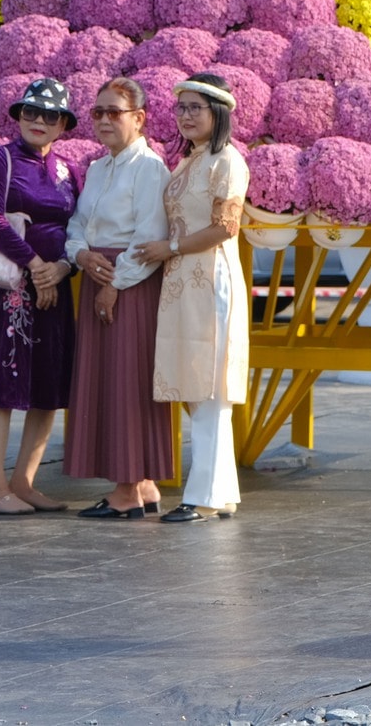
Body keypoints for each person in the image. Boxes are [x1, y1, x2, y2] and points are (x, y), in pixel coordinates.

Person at [135, 72, 250, 523]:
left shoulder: (228, 162)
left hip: (210, 280)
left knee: (209, 386)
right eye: (180, 108)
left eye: (194, 108)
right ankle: (221, 494)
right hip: (182, 280)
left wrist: (172, 248)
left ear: (217, 113)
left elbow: (226, 227)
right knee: (197, 388)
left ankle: (202, 496)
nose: (184, 116)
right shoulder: (189, 161)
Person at [0, 77, 82, 515]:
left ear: (62, 124)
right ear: (18, 117)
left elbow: (78, 227)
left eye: (49, 115)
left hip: (54, 284)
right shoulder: (1, 159)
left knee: (48, 385)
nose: (38, 120)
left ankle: (25, 481)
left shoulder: (70, 170)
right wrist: (35, 266)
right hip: (10, 286)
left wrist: (59, 271)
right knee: (4, 385)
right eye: (30, 112)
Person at [63, 77, 174, 518]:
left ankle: (127, 489)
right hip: (98, 275)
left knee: (128, 384)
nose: (105, 120)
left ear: (139, 118)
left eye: (115, 112)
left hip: (130, 283)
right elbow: (78, 224)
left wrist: (114, 284)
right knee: (108, 382)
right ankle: (141, 484)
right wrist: (82, 255)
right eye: (98, 112)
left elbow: (150, 237)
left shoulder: (149, 168)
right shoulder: (97, 168)